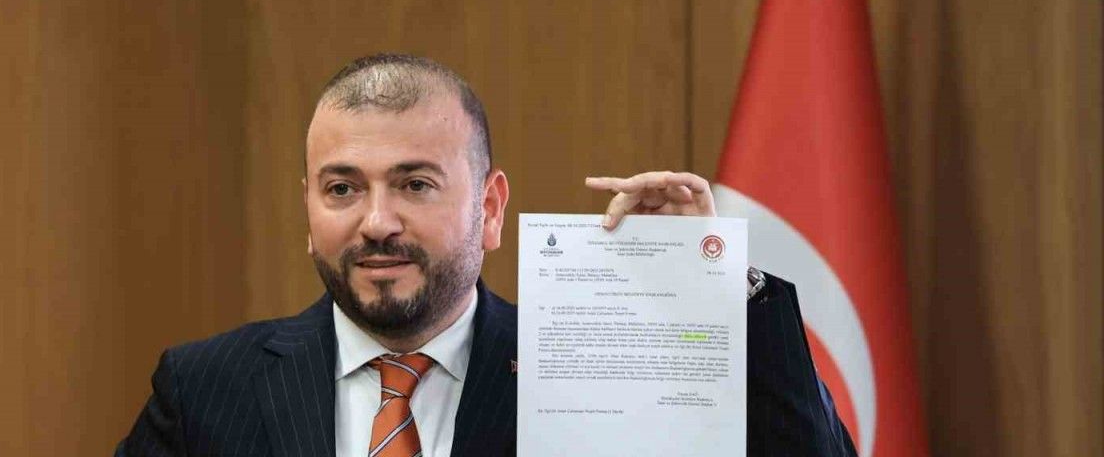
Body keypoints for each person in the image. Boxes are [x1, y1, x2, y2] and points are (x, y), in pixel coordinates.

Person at [116, 53, 857, 457]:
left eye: (415, 184)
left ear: (490, 209)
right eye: (342, 189)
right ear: (309, 210)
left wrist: (718, 282)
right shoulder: (205, 390)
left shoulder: (597, 375)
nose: (377, 222)